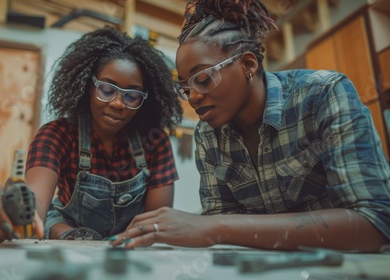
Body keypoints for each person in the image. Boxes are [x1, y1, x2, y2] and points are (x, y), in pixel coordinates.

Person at [110, 0, 390, 252]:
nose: (193, 97)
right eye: (185, 88)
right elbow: (226, 233)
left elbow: (375, 222)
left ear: (248, 64)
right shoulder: (208, 135)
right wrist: (215, 229)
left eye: (203, 79)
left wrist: (212, 228)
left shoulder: (323, 94)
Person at [0, 26, 183, 241]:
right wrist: (17, 213)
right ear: (89, 86)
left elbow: (155, 223)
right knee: (55, 224)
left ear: (145, 100)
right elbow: (36, 208)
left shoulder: (155, 142)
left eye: (131, 96)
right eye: (107, 89)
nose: (117, 103)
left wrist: (114, 245)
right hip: (67, 241)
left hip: (129, 247)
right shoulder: (56, 136)